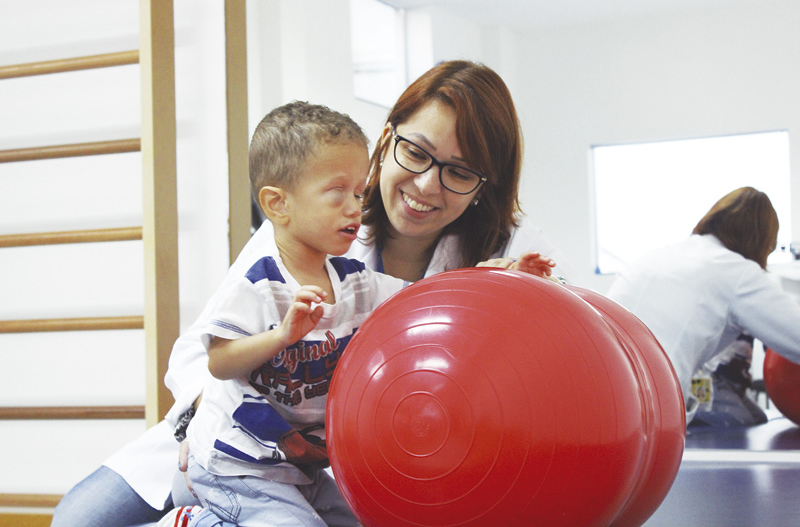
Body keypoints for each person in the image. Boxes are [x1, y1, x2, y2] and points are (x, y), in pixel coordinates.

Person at [52, 60, 579, 526]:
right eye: (416, 152)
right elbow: (201, 351)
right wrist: (210, 424)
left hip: (367, 465)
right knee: (78, 519)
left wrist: (500, 282)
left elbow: (555, 356)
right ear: (387, 139)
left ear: (485, 183)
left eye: (459, 171)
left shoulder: (511, 247)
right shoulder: (308, 222)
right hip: (234, 435)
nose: (426, 185)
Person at [607, 186, 800, 424]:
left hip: (601, 392)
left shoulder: (657, 256)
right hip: (648, 408)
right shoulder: (736, 272)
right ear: (762, 242)